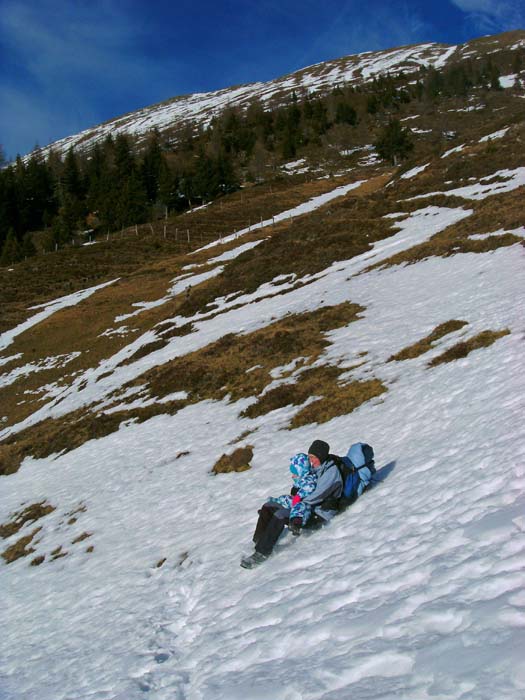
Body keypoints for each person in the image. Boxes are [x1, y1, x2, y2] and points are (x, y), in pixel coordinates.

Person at [240, 439, 344, 569]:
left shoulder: (331, 473)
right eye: (310, 457)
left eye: (314, 458)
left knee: (280, 515)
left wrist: (296, 500)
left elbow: (317, 496)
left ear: (321, 456)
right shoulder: (318, 467)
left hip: (318, 512)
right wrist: (295, 493)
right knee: (268, 507)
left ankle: (261, 553)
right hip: (303, 506)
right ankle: (260, 541)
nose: (311, 461)